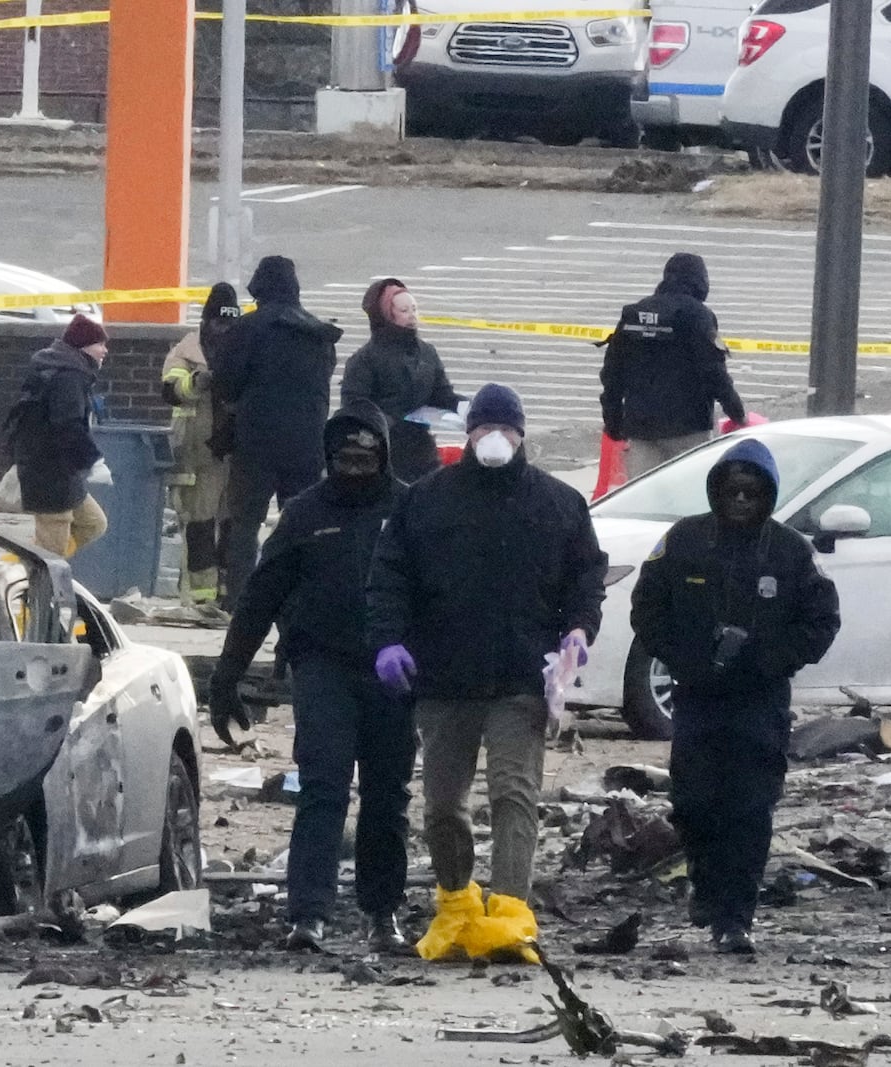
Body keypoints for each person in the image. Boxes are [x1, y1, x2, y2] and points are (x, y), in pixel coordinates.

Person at [367, 384, 607, 930]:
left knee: (513, 795)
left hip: (521, 676)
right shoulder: (425, 500)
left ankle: (508, 911)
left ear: (521, 435)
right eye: (483, 427)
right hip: (444, 678)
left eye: (505, 428)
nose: (494, 438)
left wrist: (578, 629)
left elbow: (585, 577)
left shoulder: (558, 503)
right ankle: (456, 902)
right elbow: (389, 578)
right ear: (468, 431)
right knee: (444, 806)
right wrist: (388, 639)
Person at [207, 401, 415, 953]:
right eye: (344, 456)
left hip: (393, 669)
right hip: (322, 666)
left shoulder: (410, 507)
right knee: (322, 787)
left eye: (366, 455)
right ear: (327, 458)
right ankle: (308, 914)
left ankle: (383, 913)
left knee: (386, 794)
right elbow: (260, 596)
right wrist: (227, 677)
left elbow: (445, 593)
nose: (355, 465)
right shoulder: (304, 513)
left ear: (384, 454)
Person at [630, 438, 839, 955]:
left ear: (766, 495)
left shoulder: (791, 552)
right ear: (717, 492)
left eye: (752, 493)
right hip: (698, 696)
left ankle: (735, 918)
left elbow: (822, 622)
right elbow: (646, 608)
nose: (742, 502)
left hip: (760, 700)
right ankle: (705, 887)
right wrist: (688, 656)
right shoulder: (684, 541)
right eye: (733, 492)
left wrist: (768, 657)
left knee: (750, 810)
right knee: (696, 802)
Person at [212, 255, 342, 606]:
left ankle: (241, 602)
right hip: (307, 444)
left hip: (256, 442)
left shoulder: (249, 328)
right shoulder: (318, 333)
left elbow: (226, 383)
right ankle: (302, 598)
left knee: (244, 525)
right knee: (304, 525)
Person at [599, 252, 746, 479]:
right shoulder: (698, 315)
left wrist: (613, 421)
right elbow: (714, 373)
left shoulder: (635, 314)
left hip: (641, 428)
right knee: (688, 495)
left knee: (643, 497)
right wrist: (738, 414)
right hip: (688, 428)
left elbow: (612, 373)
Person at [9, 313, 112, 558]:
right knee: (51, 549)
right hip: (50, 473)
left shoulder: (66, 371)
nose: (104, 351)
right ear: (83, 346)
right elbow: (68, 426)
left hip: (60, 473)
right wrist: (92, 460)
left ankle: (24, 563)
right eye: (100, 344)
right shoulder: (68, 377)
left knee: (93, 523)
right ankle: (32, 584)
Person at [162, 284, 241, 605]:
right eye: (219, 323)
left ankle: (226, 592)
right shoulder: (188, 350)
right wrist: (196, 382)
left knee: (233, 526)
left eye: (230, 323)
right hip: (199, 453)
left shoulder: (244, 348)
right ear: (207, 321)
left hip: (235, 454)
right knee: (200, 524)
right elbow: (170, 388)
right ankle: (199, 597)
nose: (225, 330)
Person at [341, 278, 464, 483]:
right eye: (404, 310)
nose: (412, 316)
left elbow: (442, 394)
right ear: (388, 314)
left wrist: (465, 407)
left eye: (414, 309)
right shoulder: (365, 359)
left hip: (422, 449)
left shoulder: (427, 352)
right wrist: (387, 422)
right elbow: (354, 404)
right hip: (383, 451)